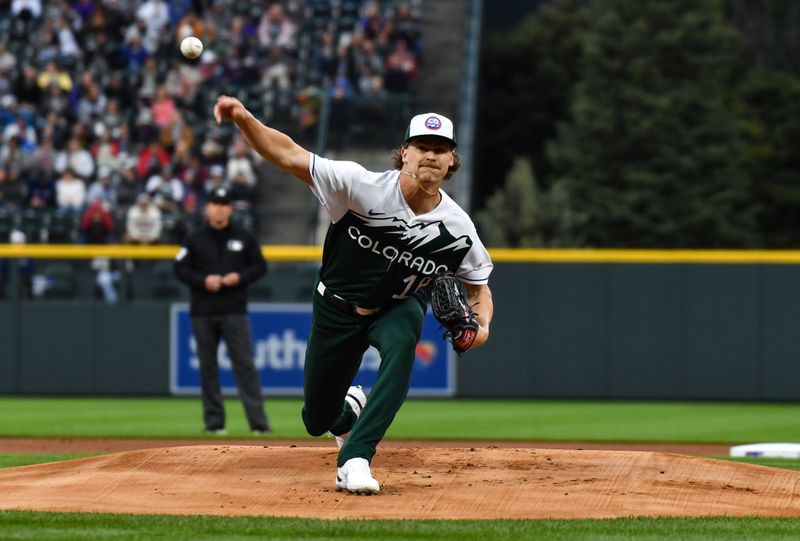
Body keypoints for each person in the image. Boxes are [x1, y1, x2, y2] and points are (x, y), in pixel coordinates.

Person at [213, 96, 494, 494]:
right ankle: (346, 416)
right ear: (405, 154)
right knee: (317, 419)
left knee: (404, 338)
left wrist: (481, 326)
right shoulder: (360, 187)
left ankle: (356, 457)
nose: (430, 156)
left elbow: (479, 286)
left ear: (451, 160)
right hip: (336, 307)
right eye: (421, 147)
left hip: (396, 307)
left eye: (439, 150)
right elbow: (289, 155)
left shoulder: (457, 228)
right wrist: (244, 119)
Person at [173, 186, 271, 436]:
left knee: (245, 365)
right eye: (215, 203)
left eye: (223, 203)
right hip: (203, 311)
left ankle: (258, 424)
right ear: (208, 208)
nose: (218, 208)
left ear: (229, 208)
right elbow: (180, 269)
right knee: (208, 367)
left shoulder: (244, 237)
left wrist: (239, 277)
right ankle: (215, 423)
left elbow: (260, 266)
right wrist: (203, 280)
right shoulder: (194, 238)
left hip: (233, 309)